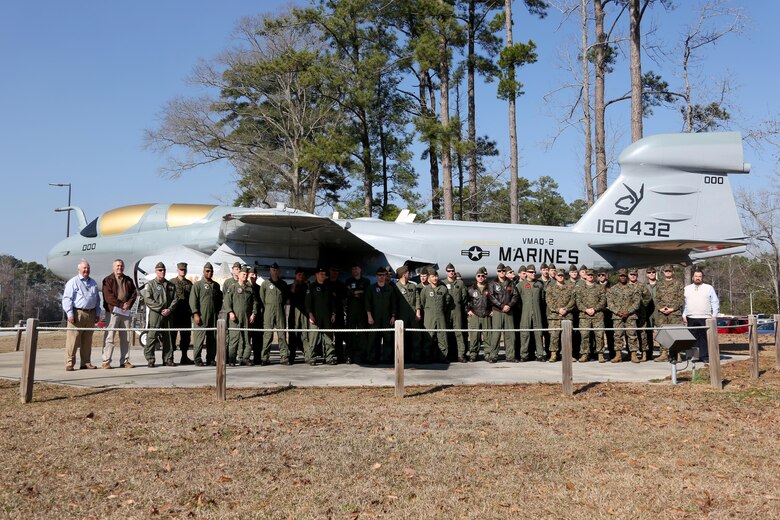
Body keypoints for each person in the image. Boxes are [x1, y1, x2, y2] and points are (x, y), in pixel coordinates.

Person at [61, 260, 101, 371]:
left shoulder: (93, 283)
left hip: (91, 313)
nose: (86, 270)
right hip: (77, 313)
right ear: (79, 269)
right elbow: (67, 299)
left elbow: (97, 300)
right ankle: (69, 363)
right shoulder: (73, 282)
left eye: (88, 268)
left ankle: (86, 362)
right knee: (73, 340)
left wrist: (97, 313)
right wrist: (69, 313)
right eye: (84, 268)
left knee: (87, 341)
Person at [100, 259, 138, 369]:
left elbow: (134, 294)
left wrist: (128, 304)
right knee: (110, 337)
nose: (119, 268)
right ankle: (106, 361)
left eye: (121, 266)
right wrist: (121, 305)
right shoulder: (108, 280)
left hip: (125, 313)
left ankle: (125, 361)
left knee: (126, 338)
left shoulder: (128, 280)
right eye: (117, 266)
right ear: (113, 267)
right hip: (113, 312)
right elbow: (108, 297)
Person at [141, 262, 177, 367]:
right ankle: (150, 359)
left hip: (168, 315)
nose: (162, 272)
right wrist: (161, 309)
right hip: (156, 314)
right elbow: (148, 299)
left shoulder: (170, 285)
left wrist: (169, 310)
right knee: (152, 336)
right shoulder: (151, 284)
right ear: (156, 271)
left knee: (168, 337)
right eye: (160, 270)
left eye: (164, 270)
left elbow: (175, 299)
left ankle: (168, 359)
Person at [682, 268, 720, 363]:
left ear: (702, 277)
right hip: (691, 316)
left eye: (699, 276)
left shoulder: (708, 288)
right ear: (692, 277)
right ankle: (694, 357)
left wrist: (714, 315)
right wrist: (684, 314)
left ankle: (704, 356)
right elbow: (684, 303)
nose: (698, 278)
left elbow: (715, 301)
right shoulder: (687, 289)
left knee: (704, 338)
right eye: (696, 276)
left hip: (705, 316)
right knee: (692, 338)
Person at [224, 266, 258, 366]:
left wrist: (253, 313)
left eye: (246, 275)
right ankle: (231, 359)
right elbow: (227, 301)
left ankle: (245, 358)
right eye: (243, 274)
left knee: (247, 338)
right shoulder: (233, 287)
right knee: (234, 339)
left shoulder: (249, 289)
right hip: (235, 317)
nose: (245, 276)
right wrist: (230, 312)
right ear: (238, 275)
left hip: (247, 317)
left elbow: (254, 302)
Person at [189, 262, 222, 366]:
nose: (209, 273)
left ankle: (211, 358)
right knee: (199, 338)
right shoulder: (197, 285)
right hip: (201, 316)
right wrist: (195, 314)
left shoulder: (216, 285)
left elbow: (219, 300)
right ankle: (197, 359)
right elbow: (193, 300)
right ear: (203, 272)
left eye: (211, 271)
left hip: (213, 316)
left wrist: (217, 312)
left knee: (212, 339)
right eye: (207, 271)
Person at [259, 262, 291, 365]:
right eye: (273, 270)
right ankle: (264, 358)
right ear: (270, 271)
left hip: (280, 309)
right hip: (268, 309)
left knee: (281, 333)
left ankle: (284, 357)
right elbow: (262, 297)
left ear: (279, 271)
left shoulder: (283, 284)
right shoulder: (265, 284)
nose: (275, 272)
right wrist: (268, 306)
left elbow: (285, 297)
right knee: (268, 334)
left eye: (276, 270)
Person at [486, 263, 519, 363]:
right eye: (500, 271)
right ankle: (493, 356)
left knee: (510, 334)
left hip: (508, 311)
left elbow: (515, 295)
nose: (502, 273)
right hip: (497, 311)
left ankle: (510, 356)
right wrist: (501, 305)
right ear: (497, 272)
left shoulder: (511, 283)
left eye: (503, 271)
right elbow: (491, 297)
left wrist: (509, 305)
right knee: (496, 334)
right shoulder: (492, 283)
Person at [417, 269, 451, 363]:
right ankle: (427, 357)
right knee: (428, 336)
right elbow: (422, 302)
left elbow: (446, 303)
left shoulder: (443, 289)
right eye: (433, 276)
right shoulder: (425, 290)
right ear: (429, 278)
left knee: (442, 336)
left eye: (436, 276)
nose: (435, 278)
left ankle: (442, 357)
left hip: (440, 315)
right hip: (429, 315)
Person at [607, 269, 641, 363]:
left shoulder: (634, 288)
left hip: (630, 316)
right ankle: (618, 355)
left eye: (624, 276)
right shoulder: (612, 289)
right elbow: (610, 303)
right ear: (618, 277)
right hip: (617, 316)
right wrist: (617, 312)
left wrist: (628, 311)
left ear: (627, 277)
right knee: (618, 335)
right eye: (621, 276)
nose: (623, 277)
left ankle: (633, 355)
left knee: (632, 335)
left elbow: (637, 302)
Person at [365, 267, 398, 364]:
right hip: (374, 317)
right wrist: (369, 316)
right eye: (379, 275)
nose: (381, 277)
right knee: (373, 338)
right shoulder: (371, 288)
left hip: (387, 318)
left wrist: (393, 316)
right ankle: (372, 358)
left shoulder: (390, 289)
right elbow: (367, 303)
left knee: (388, 338)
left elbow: (393, 303)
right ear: (376, 276)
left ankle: (387, 358)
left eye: (383, 275)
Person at [305, 267, 336, 365]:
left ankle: (329, 357)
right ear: (316, 275)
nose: (323, 275)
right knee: (313, 338)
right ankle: (312, 358)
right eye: (320, 273)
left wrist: (333, 313)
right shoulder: (312, 287)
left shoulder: (328, 287)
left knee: (329, 338)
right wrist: (310, 314)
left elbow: (332, 302)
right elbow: (308, 302)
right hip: (315, 316)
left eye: (324, 274)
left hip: (327, 316)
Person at [653, 265, 684, 362]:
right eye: (666, 271)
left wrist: (672, 309)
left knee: (676, 333)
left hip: (674, 313)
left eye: (669, 271)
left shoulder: (678, 284)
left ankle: (677, 354)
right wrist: (660, 308)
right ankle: (664, 353)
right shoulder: (659, 284)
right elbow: (656, 299)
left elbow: (681, 298)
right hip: (662, 313)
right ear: (663, 273)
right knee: (663, 332)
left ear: (673, 272)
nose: (668, 273)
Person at [575, 269, 607, 362]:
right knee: (585, 335)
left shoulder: (599, 288)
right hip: (584, 315)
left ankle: (600, 354)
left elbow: (603, 301)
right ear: (585, 276)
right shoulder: (580, 288)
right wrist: (586, 309)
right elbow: (578, 301)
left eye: (592, 275)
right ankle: (585, 354)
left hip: (597, 315)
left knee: (599, 335)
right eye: (588, 275)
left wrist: (595, 309)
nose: (590, 276)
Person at [545, 268, 575, 363]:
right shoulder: (550, 288)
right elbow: (549, 302)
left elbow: (573, 301)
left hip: (567, 315)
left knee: (567, 336)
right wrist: (558, 310)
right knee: (554, 336)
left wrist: (566, 309)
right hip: (554, 316)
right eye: (559, 275)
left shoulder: (570, 287)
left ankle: (568, 355)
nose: (561, 277)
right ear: (555, 276)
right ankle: (553, 354)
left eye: (562, 275)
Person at [518, 264, 545, 361]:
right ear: (526, 273)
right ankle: (524, 355)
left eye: (534, 272)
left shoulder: (539, 284)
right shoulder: (520, 285)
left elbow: (542, 299)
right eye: (531, 272)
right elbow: (517, 301)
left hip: (537, 311)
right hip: (525, 312)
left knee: (538, 333)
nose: (533, 273)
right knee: (525, 334)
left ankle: (540, 354)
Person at [393, 265, 421, 363]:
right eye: (408, 273)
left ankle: (416, 357)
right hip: (401, 315)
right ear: (404, 274)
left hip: (413, 315)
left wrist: (418, 311)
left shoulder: (412, 286)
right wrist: (394, 315)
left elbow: (417, 298)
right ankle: (402, 358)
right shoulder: (396, 287)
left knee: (415, 336)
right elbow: (394, 303)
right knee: (402, 337)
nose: (409, 274)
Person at [345, 264, 371, 364]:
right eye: (352, 268)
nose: (354, 270)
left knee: (362, 335)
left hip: (363, 312)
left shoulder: (366, 281)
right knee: (350, 334)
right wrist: (359, 292)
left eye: (356, 268)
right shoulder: (348, 281)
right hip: (351, 311)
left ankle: (362, 356)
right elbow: (348, 292)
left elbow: (366, 294)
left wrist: (354, 292)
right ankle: (349, 356)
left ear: (360, 269)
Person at [466, 266, 492, 362]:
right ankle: (473, 354)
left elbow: (494, 300)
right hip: (475, 315)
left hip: (486, 315)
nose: (481, 277)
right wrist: (468, 310)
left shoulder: (490, 288)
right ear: (476, 277)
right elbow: (465, 301)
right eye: (479, 276)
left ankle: (488, 354)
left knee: (487, 336)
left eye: (482, 276)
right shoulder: (471, 289)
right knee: (474, 336)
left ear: (485, 277)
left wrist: (492, 310)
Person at [443, 262, 467, 362]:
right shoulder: (443, 283)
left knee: (459, 332)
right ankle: (448, 354)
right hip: (447, 311)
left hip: (457, 310)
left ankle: (461, 355)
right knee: (447, 333)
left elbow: (464, 297)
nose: (451, 273)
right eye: (449, 271)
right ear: (446, 272)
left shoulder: (460, 283)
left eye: (453, 271)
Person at [171, 262, 194, 364]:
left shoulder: (189, 284)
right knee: (172, 335)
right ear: (177, 270)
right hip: (175, 313)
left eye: (184, 270)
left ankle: (184, 357)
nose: (182, 271)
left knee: (186, 337)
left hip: (185, 313)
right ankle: (169, 357)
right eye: (181, 270)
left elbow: (192, 299)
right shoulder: (171, 282)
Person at [628, 268, 652, 362]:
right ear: (628, 276)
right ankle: (632, 354)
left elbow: (648, 297)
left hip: (641, 314)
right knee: (631, 334)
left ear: (637, 276)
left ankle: (644, 353)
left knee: (642, 334)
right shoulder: (626, 286)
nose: (633, 276)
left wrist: (641, 305)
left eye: (634, 274)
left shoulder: (642, 286)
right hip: (630, 314)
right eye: (631, 274)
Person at [288, 267, 309, 363]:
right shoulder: (292, 286)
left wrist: (307, 284)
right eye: (299, 275)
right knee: (293, 334)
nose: (301, 277)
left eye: (302, 275)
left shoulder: (306, 286)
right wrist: (295, 284)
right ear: (296, 276)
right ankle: (292, 355)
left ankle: (308, 355)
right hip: (294, 311)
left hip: (304, 311)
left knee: (305, 333)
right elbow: (290, 294)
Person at [327, 266, 348, 363]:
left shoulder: (341, 285)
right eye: (333, 270)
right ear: (329, 271)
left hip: (339, 313)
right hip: (327, 313)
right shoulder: (325, 283)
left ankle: (340, 356)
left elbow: (344, 297)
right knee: (327, 336)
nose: (335, 273)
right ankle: (328, 356)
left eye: (336, 271)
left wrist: (337, 295)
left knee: (339, 336)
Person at [247, 267, 264, 365]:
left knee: (258, 339)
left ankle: (257, 358)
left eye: (255, 274)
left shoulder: (259, 288)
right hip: (247, 317)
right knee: (247, 339)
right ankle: (246, 358)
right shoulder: (245, 287)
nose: (254, 276)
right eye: (252, 274)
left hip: (257, 318)